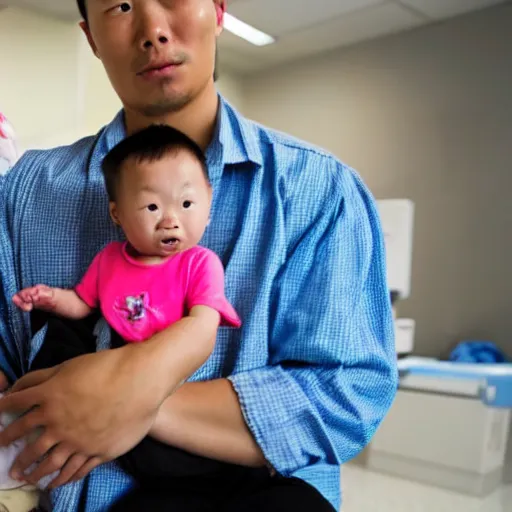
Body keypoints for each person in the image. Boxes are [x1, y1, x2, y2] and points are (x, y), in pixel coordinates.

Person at [0, 1, 398, 511]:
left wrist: (124, 398)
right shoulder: (27, 190)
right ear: (92, 37)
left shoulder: (319, 192)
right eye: (120, 5)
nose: (153, 31)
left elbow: (347, 392)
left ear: (217, 10)